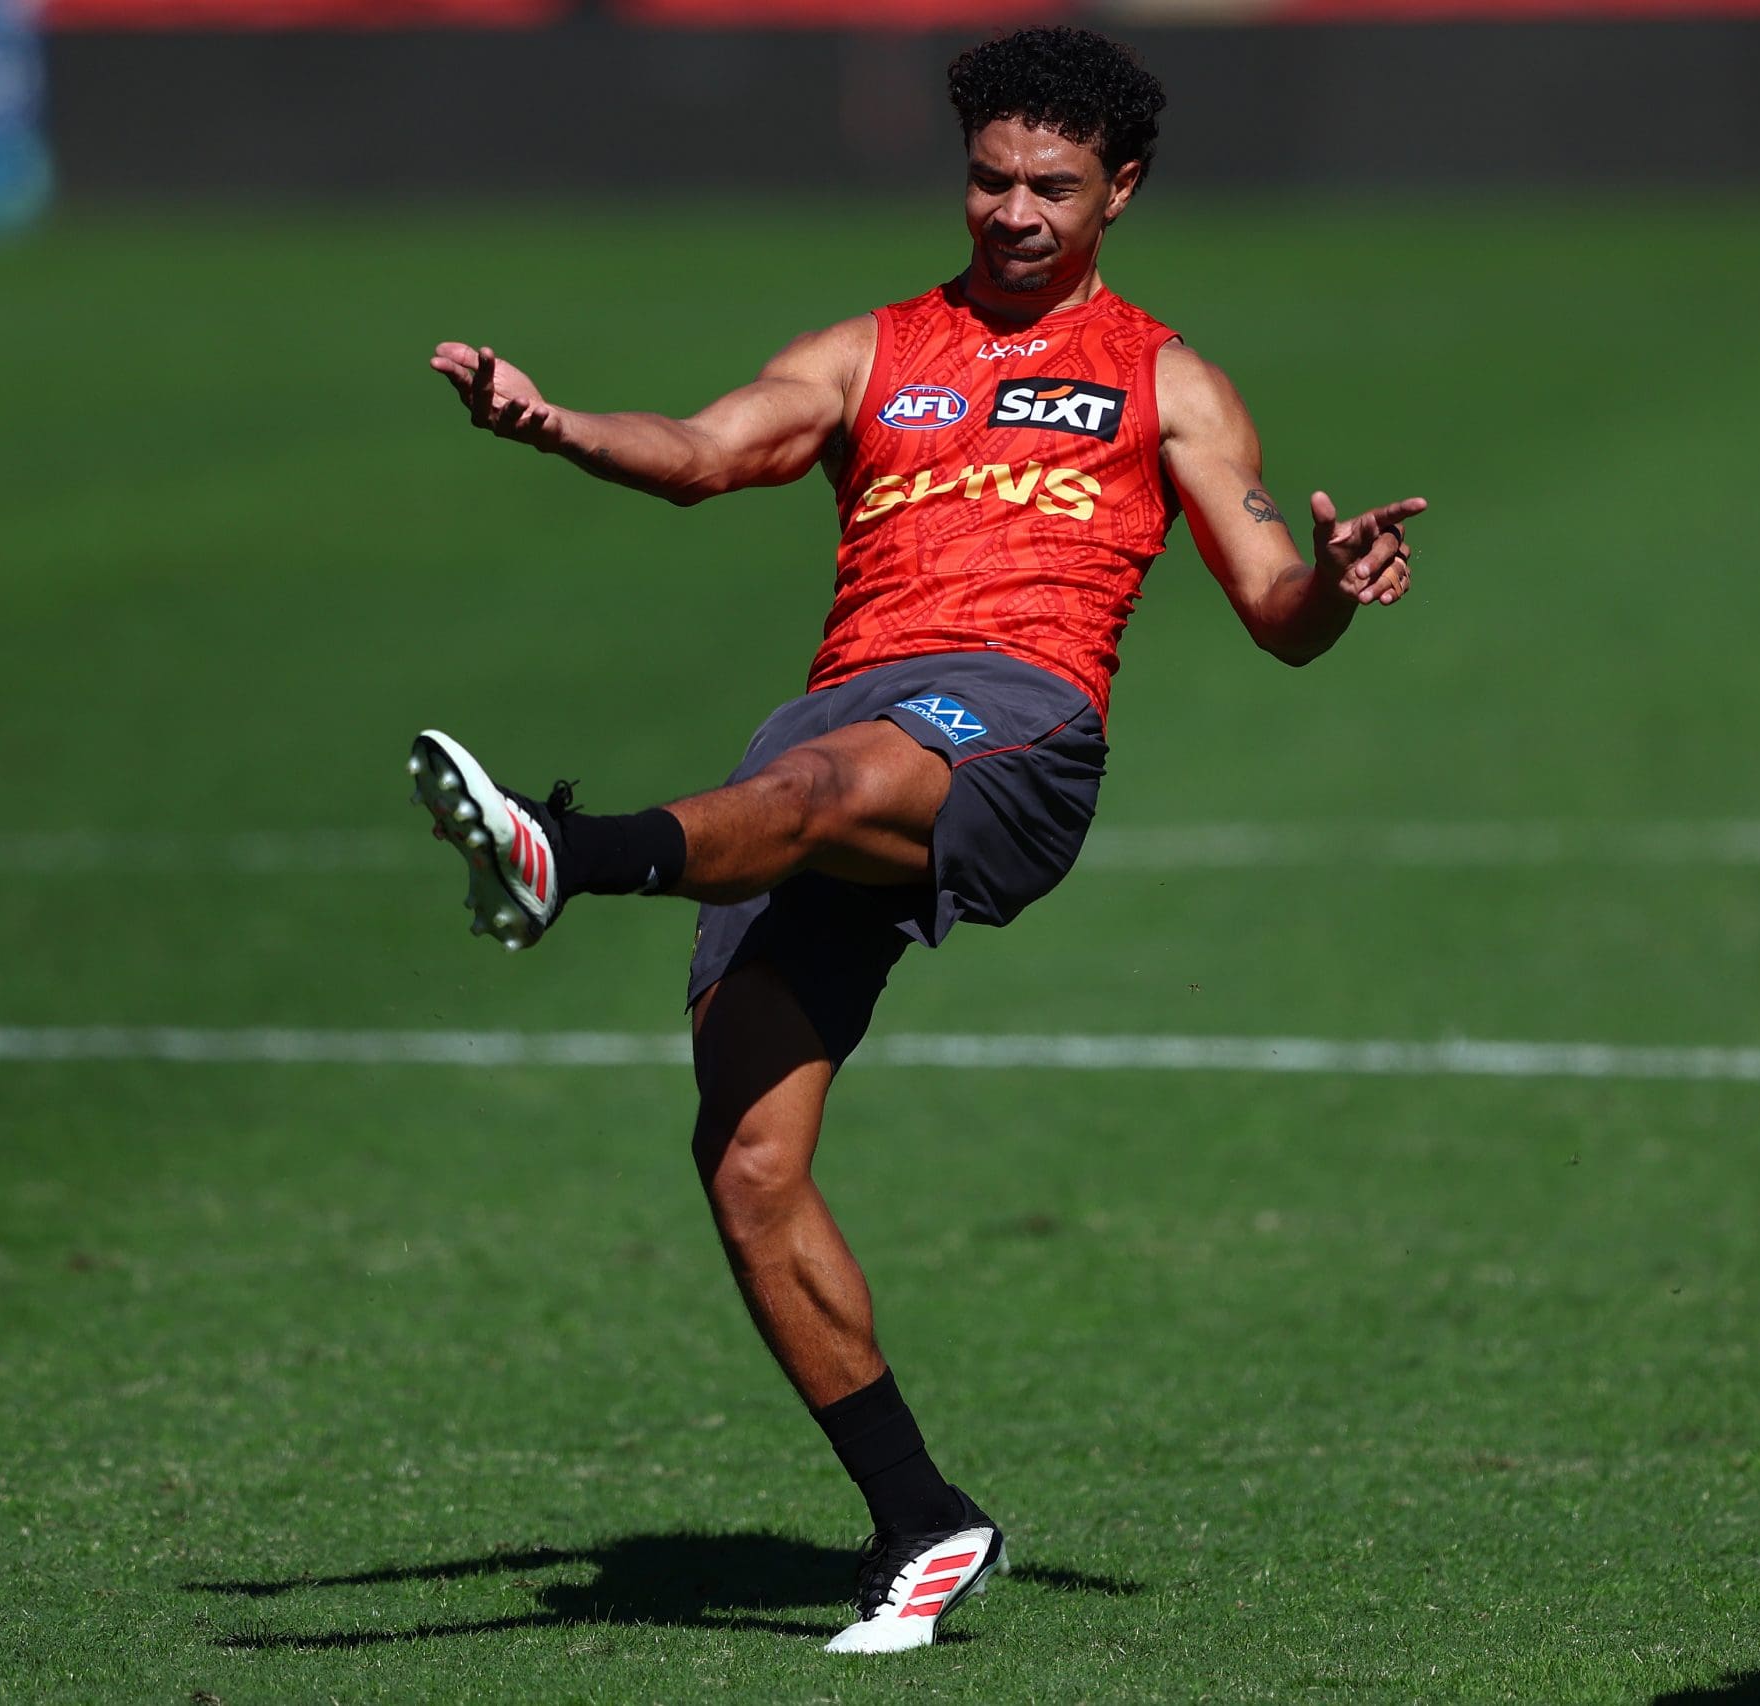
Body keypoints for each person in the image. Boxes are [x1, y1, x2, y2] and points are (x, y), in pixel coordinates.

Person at [409, 23, 1422, 1654]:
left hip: (1009, 733)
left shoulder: (1169, 379)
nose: (1014, 211)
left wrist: (1335, 584)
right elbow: (707, 453)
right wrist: (552, 422)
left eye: (1053, 186)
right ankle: (926, 1521)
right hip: (832, 731)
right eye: (991, 178)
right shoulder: (874, 349)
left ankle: (560, 850)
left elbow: (1273, 607)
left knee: (840, 782)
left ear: (1122, 192)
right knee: (746, 1165)